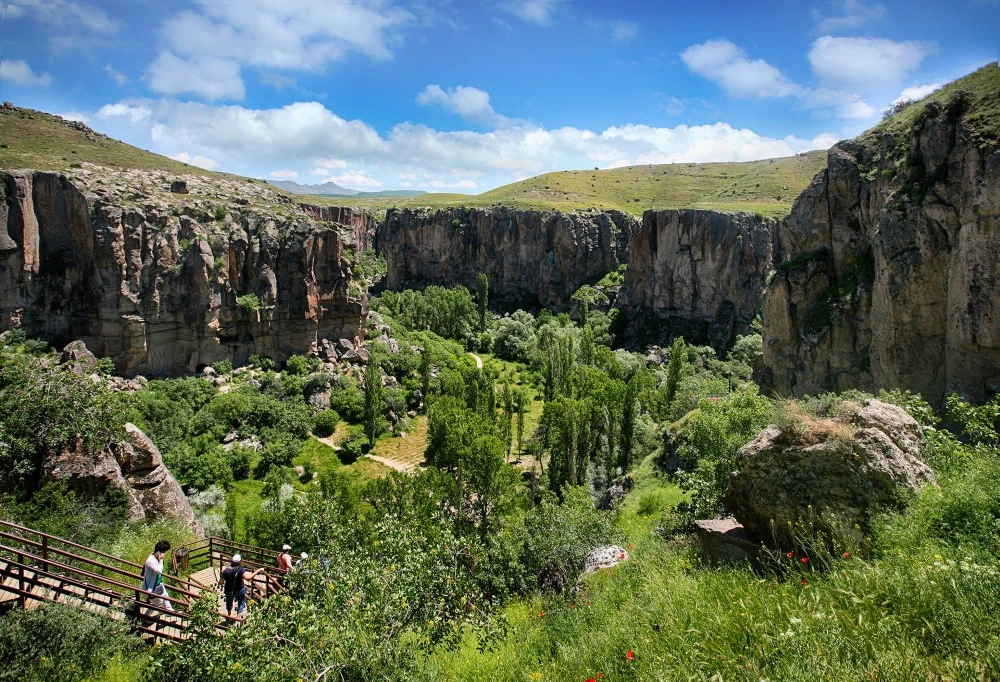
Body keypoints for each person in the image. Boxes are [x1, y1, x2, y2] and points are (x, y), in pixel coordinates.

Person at [142, 540, 173, 612]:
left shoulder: (155, 558)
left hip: (158, 583)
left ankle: (170, 611)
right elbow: (159, 571)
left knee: (165, 597)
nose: (165, 554)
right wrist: (161, 560)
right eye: (164, 552)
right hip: (152, 587)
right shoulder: (151, 560)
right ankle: (145, 617)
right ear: (159, 552)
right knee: (158, 603)